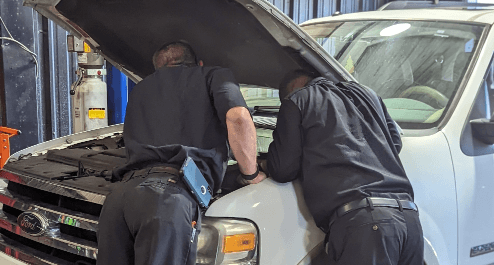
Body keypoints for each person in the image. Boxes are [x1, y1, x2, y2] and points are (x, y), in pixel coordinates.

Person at [97, 41, 266, 265]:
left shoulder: (141, 89)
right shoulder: (213, 74)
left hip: (118, 199)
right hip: (166, 199)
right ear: (199, 64)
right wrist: (251, 174)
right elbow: (238, 118)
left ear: (158, 69)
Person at [266, 70, 423, 264]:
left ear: (293, 87)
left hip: (365, 224)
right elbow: (394, 143)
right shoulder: (368, 93)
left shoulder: (297, 100)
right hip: (409, 220)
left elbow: (283, 169)